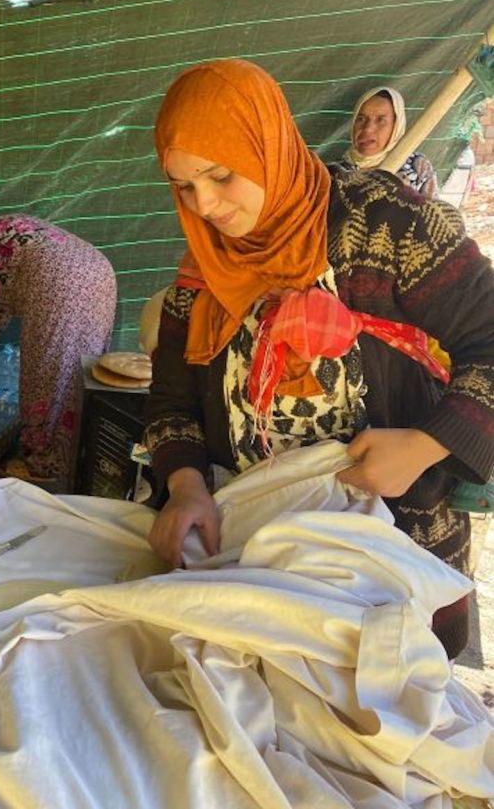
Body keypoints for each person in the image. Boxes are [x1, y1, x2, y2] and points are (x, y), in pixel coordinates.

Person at [144, 59, 494, 660]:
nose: (204, 205)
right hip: (254, 553)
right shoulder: (203, 264)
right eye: (184, 186)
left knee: (383, 699)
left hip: (393, 545)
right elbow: (172, 397)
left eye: (221, 175)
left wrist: (424, 446)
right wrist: (184, 485)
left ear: (267, 144)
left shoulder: (385, 226)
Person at [0, 214, 117, 485]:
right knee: (80, 370)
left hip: (60, 281)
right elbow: (0, 315)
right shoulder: (9, 233)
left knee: (43, 372)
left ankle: (40, 462)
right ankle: (70, 458)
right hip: (100, 276)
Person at [342, 86, 439, 198]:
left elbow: (435, 212)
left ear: (396, 127)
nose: (367, 128)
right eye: (361, 119)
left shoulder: (418, 167)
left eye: (380, 120)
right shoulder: (336, 173)